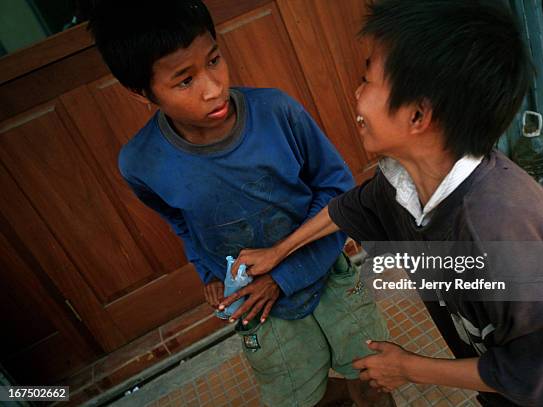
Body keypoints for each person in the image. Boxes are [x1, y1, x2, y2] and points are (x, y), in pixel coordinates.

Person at [222, 0, 543, 405]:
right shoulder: (404, 182)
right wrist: (278, 251)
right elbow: (347, 209)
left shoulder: (498, 231)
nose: (355, 95)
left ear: (418, 115)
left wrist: (407, 367)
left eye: (366, 80)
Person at [87, 1, 394, 406]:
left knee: (372, 377)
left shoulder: (276, 111)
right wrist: (207, 271)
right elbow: (182, 222)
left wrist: (281, 276)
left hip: (326, 273)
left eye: (214, 60)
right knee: (299, 396)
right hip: (259, 308)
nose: (213, 87)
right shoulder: (141, 163)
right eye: (184, 81)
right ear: (141, 92)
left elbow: (338, 192)